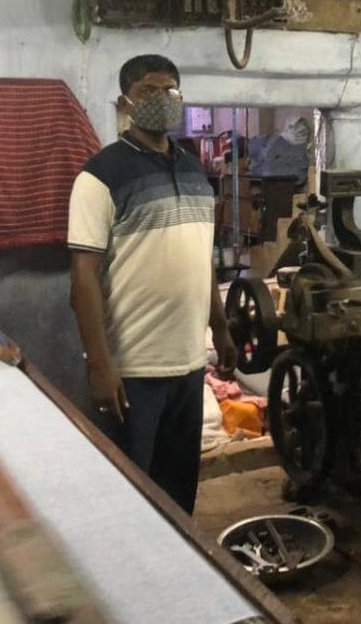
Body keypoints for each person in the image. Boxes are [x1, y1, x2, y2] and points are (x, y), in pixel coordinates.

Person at [67, 54, 238, 514]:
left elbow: (202, 259)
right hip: (132, 371)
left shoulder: (194, 171)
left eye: (170, 91)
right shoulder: (100, 176)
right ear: (125, 102)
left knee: (178, 491)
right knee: (126, 496)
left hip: (188, 364)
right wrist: (100, 365)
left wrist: (220, 328)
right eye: (148, 91)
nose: (161, 99)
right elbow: (82, 278)